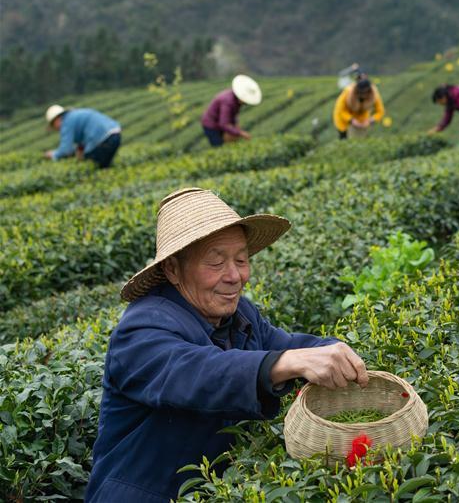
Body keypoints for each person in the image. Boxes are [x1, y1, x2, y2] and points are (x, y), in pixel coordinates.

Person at [85, 188, 368, 502]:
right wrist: (282, 363)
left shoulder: (238, 314)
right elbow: (198, 373)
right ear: (173, 269)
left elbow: (285, 344)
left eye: (241, 260)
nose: (235, 276)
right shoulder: (141, 329)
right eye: (216, 262)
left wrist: (333, 351)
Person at [43, 105, 122, 168]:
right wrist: (80, 149)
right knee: (104, 167)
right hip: (115, 134)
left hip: (103, 139)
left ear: (56, 119)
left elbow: (66, 150)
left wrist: (53, 154)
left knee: (91, 166)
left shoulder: (66, 123)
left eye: (53, 125)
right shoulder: (74, 115)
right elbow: (84, 135)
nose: (56, 129)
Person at [200, 75, 262, 147]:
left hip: (218, 123)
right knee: (219, 146)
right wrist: (240, 133)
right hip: (211, 125)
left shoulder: (236, 100)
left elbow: (232, 116)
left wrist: (236, 128)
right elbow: (223, 124)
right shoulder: (227, 102)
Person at [333, 75, 385, 139]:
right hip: (344, 120)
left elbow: (380, 111)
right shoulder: (348, 93)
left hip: (362, 120)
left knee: (360, 140)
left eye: (366, 92)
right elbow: (340, 110)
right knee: (345, 139)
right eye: (361, 92)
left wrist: (371, 120)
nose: (363, 95)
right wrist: (351, 120)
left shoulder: (374, 94)